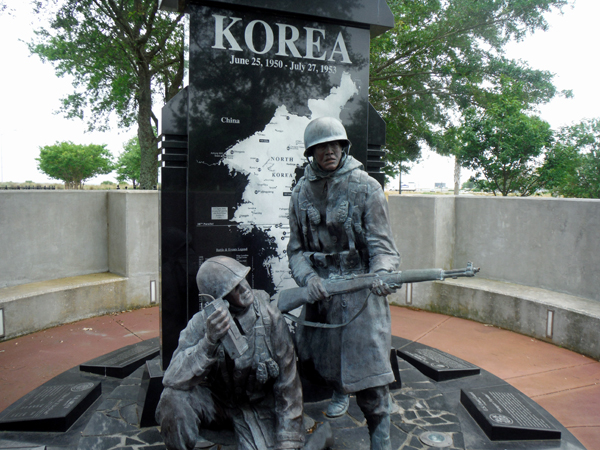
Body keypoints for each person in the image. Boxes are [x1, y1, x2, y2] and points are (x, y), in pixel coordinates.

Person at [287, 117, 401, 450]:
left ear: (344, 146)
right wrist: (308, 280)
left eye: (335, 144)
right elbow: (295, 251)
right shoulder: (299, 194)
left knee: (372, 378)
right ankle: (339, 391)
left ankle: (380, 437)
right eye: (322, 146)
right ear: (311, 152)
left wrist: (382, 272)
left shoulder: (367, 187)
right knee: (328, 361)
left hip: (362, 294)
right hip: (322, 297)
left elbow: (383, 246)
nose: (330, 151)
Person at [156, 256, 304, 450]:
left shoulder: (270, 318)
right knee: (172, 399)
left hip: (257, 408)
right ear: (219, 299)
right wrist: (208, 342)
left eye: (243, 280)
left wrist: (288, 440)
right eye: (234, 287)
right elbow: (172, 378)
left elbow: (288, 383)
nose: (244, 288)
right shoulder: (202, 324)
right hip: (217, 405)